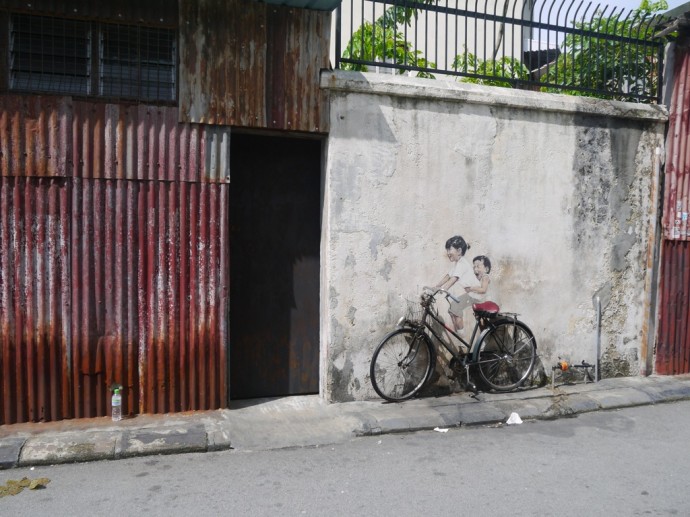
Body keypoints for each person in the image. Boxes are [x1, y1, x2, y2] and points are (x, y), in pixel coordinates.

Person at [434, 235, 480, 331]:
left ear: (459, 251)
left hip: (476, 294)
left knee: (455, 308)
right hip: (471, 293)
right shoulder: (457, 264)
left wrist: (444, 289)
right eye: (447, 250)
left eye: (449, 249)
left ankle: (461, 338)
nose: (448, 253)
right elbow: (448, 276)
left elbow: (453, 279)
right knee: (452, 311)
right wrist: (436, 286)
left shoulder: (462, 263)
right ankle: (458, 333)